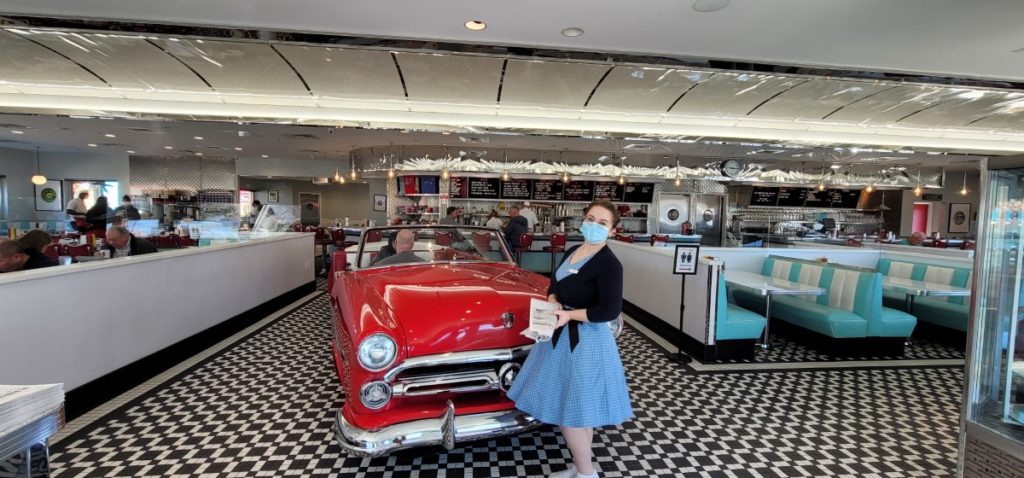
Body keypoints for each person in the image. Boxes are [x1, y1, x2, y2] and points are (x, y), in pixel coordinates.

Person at [507, 200, 632, 478]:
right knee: (578, 409)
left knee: (572, 413)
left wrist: (569, 315)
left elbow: (609, 311)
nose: (594, 226)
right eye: (590, 219)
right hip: (559, 337)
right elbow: (555, 284)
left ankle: (587, 473)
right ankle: (581, 465)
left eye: (602, 223)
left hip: (587, 342)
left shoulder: (610, 265)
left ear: (612, 231)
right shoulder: (574, 251)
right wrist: (552, 301)